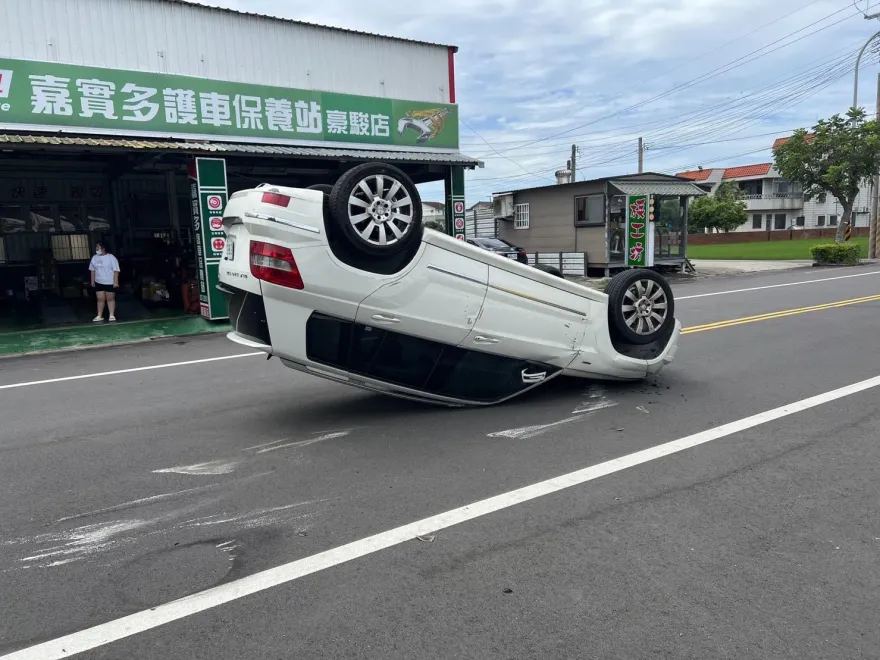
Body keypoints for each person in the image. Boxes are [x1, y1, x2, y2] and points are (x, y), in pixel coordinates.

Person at [89, 242, 120, 322]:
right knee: (100, 299)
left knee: (110, 299)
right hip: (98, 282)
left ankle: (111, 315)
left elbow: (116, 270)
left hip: (109, 282)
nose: (97, 249)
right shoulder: (94, 257)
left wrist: (115, 282)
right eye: (96, 248)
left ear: (103, 248)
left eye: (98, 247)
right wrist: (92, 281)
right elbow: (92, 270)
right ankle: (99, 315)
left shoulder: (111, 257)